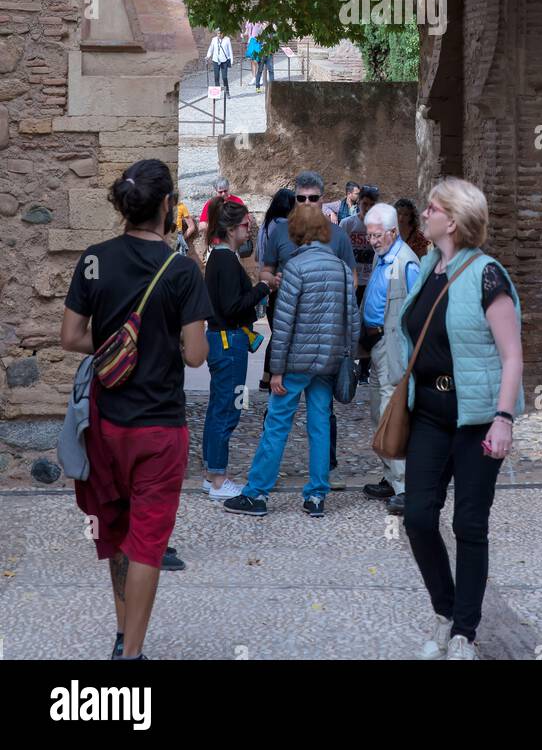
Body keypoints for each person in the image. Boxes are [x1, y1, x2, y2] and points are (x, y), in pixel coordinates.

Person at [60, 159, 211, 661]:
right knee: (148, 541)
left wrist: (115, 344)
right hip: (159, 427)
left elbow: (72, 336)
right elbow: (194, 355)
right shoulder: (183, 270)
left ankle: (123, 632)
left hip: (105, 423)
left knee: (116, 530)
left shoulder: (93, 260)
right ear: (167, 206)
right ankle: (132, 656)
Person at [399, 177, 524, 662]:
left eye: (431, 208)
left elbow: (512, 355)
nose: (423, 214)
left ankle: (463, 633)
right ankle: (445, 609)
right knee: (417, 518)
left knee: (470, 525)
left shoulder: (488, 275)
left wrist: (504, 418)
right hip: (429, 414)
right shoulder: (430, 267)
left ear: (451, 219)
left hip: (476, 419)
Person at [223, 204, 359, 519]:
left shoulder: (295, 268)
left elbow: (283, 325)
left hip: (295, 364)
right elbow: (352, 320)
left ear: (296, 233)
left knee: (277, 425)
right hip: (327, 363)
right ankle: (316, 496)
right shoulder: (340, 269)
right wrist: (346, 358)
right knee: (320, 425)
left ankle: (256, 493)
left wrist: (276, 370)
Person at [260, 171, 356, 488]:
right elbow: (266, 271)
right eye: (301, 198)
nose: (307, 203)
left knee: (311, 418)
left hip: (311, 344)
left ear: (322, 199)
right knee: (286, 418)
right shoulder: (281, 234)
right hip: (294, 336)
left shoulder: (338, 236)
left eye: (313, 198)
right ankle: (313, 491)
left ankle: (262, 489)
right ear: (295, 199)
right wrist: (271, 282)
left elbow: (351, 282)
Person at [202, 197, 268, 500]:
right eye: (244, 224)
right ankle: (218, 479)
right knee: (227, 410)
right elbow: (231, 306)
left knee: (222, 408)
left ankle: (212, 474)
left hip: (225, 340)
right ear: (230, 229)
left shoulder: (220, 257)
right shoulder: (225, 260)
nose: (249, 227)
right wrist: (263, 288)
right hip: (229, 342)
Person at [361, 203, 420, 517]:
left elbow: (417, 313)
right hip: (377, 345)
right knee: (377, 412)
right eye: (369, 235)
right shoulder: (381, 255)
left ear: (394, 231)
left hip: (393, 348)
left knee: (392, 415)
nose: (371, 240)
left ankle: (406, 488)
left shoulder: (406, 263)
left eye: (377, 235)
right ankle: (390, 475)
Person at [255, 187, 296, 391]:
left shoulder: (265, 226)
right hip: (281, 282)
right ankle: (270, 378)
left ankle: (266, 376)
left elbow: (257, 257)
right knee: (281, 333)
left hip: (266, 283)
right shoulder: (284, 227)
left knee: (277, 332)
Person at [342, 184, 379, 382]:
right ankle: (348, 363)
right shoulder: (348, 224)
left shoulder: (378, 228)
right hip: (352, 281)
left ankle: (365, 368)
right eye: (365, 204)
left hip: (372, 282)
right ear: (359, 204)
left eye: (371, 205)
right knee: (349, 323)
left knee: (369, 324)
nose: (367, 208)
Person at [206, 27, 233, 97]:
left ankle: (227, 91)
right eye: (217, 33)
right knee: (216, 77)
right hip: (215, 60)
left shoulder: (227, 39)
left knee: (224, 77)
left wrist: (231, 61)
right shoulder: (214, 40)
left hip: (224, 61)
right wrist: (208, 56)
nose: (219, 35)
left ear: (223, 33)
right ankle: (217, 94)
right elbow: (211, 49)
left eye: (220, 33)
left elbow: (230, 51)